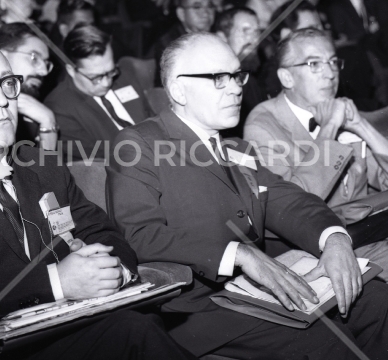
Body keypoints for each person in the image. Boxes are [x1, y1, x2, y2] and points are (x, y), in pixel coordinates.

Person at [0, 29, 195, 360]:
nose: (2, 100)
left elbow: (103, 233)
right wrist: (57, 282)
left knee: (139, 323)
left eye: (7, 83)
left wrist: (109, 269)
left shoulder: (42, 166)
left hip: (80, 323)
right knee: (134, 331)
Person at [107, 31, 388, 359]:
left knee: (376, 300)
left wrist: (335, 240)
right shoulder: (139, 144)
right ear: (178, 90)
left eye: (237, 75)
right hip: (199, 308)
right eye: (218, 78)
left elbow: (289, 199)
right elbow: (139, 235)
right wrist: (240, 254)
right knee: (329, 342)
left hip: (255, 292)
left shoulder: (235, 148)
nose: (236, 87)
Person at [244, 28, 388, 250]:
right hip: (318, 249)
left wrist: (361, 125)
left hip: (370, 234)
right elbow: (292, 206)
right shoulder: (262, 125)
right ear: (287, 77)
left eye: (332, 62)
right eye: (314, 64)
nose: (330, 74)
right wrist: (329, 126)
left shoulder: (337, 107)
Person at [44, 25, 152, 161]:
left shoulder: (125, 76)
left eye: (111, 71)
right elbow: (103, 161)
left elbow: (151, 120)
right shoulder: (59, 107)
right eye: (96, 78)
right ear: (71, 70)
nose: (107, 83)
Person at [0, 22, 57, 150]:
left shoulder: (34, 108)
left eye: (46, 63)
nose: (43, 71)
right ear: (2, 56)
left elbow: (45, 168)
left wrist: (48, 121)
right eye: (34, 58)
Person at [214, 6, 266, 136]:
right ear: (222, 37)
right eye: (245, 31)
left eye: (257, 32)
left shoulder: (252, 79)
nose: (254, 40)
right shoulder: (215, 83)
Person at [153, 0, 216, 86]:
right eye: (197, 7)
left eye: (210, 6)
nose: (205, 13)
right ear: (181, 13)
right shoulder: (169, 43)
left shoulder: (219, 35)